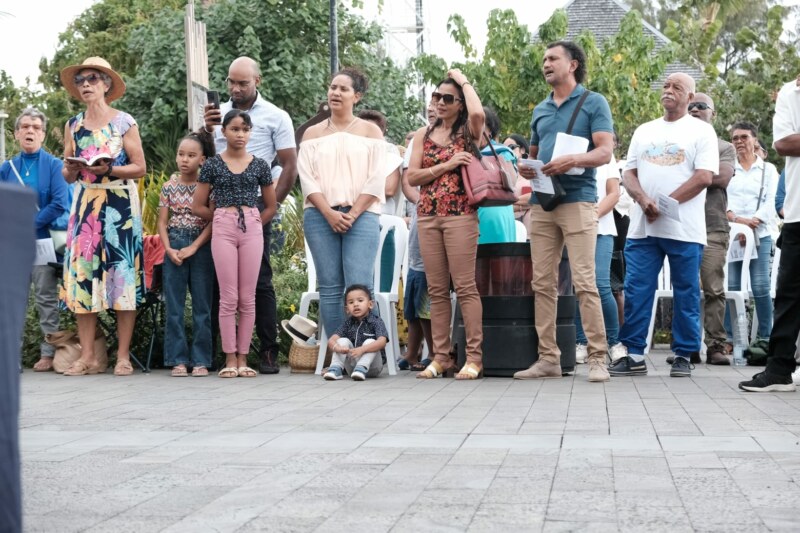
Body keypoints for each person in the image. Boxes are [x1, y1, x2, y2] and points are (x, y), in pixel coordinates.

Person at [514, 41, 614, 382]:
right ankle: (548, 359)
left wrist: (575, 159)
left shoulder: (593, 102)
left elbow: (604, 152)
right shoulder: (540, 109)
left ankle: (598, 358)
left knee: (585, 281)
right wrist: (525, 167)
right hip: (543, 203)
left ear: (572, 65)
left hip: (579, 200)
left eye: (553, 58)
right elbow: (534, 154)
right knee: (541, 283)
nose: (546, 64)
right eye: (544, 59)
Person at [610, 73, 719, 378]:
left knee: (685, 290)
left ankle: (684, 353)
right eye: (666, 87)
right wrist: (644, 200)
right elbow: (629, 173)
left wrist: (664, 203)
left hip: (684, 228)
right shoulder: (645, 130)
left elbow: (704, 177)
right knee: (636, 288)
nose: (669, 91)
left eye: (677, 88)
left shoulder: (701, 131)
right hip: (643, 227)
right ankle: (633, 355)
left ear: (690, 96)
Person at [203, 56, 297, 374]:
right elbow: (206, 159)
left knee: (261, 285)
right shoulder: (218, 117)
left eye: (242, 82)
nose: (235, 88)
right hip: (224, 209)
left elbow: (288, 165)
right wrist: (207, 128)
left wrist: (266, 213)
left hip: (257, 208)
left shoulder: (276, 117)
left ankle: (268, 350)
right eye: (231, 81)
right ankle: (222, 354)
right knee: (222, 287)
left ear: (258, 81)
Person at [59, 57, 147, 376]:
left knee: (121, 276)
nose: (85, 84)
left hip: (119, 205)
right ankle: (88, 358)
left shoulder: (124, 122)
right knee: (83, 278)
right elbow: (68, 175)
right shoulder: (73, 125)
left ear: (106, 85)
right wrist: (70, 168)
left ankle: (122, 356)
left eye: (93, 78)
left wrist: (109, 168)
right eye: (81, 79)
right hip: (85, 205)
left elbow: (140, 167)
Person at [407, 69, 486, 380]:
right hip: (427, 215)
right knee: (437, 290)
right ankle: (441, 357)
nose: (439, 102)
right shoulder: (421, 136)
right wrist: (447, 165)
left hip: (460, 215)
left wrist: (464, 80)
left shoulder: (467, 133)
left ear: (459, 104)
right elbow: (412, 176)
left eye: (448, 98)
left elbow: (478, 112)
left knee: (465, 287)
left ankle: (474, 358)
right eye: (436, 96)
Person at [298, 67, 387, 342]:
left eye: (343, 89)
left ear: (357, 96)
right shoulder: (312, 134)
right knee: (330, 287)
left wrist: (353, 212)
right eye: (333, 87)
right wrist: (329, 213)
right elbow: (307, 179)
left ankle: (364, 351)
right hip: (319, 216)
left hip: (362, 216)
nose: (335, 93)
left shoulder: (371, 131)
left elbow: (376, 178)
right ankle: (338, 354)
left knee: (359, 287)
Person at [194, 109, 277, 378]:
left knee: (248, 297)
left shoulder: (260, 164)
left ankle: (244, 358)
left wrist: (254, 222)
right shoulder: (213, 165)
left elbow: (271, 205)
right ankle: (230, 358)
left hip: (252, 226)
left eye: (245, 129)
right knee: (228, 297)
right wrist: (220, 216)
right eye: (234, 128)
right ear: (223, 131)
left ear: (250, 132)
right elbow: (198, 205)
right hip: (224, 227)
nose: (240, 134)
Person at [739, 74, 800, 392]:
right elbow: (784, 143)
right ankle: (778, 371)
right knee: (789, 295)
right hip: (798, 213)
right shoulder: (791, 92)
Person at [0, 108, 69, 372]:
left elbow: (59, 203)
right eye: (25, 127)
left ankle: (48, 353)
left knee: (46, 299)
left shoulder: (54, 166)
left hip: (43, 243)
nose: (30, 131)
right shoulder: (7, 169)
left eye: (36, 127)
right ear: (16, 133)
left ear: (42, 134)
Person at [158, 133, 215, 377]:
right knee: (174, 307)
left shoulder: (208, 188)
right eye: (181, 154)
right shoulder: (168, 187)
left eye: (191, 155)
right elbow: (161, 222)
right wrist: (168, 248)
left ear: (202, 159)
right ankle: (177, 359)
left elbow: (214, 221)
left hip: (201, 247)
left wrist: (194, 247)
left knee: (202, 306)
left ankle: (201, 359)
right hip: (174, 245)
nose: (184, 159)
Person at [686, 93, 736, 366]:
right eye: (690, 106)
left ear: (712, 114)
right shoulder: (678, 143)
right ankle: (688, 346)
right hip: (682, 226)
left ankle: (716, 345)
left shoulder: (724, 147)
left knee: (713, 289)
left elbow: (722, 178)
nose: (694, 109)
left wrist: (689, 179)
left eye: (701, 106)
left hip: (712, 226)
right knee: (687, 288)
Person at [725, 121, 779, 359]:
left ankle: (766, 337)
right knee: (732, 286)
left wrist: (753, 222)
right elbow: (723, 201)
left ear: (755, 140)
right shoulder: (728, 169)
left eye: (744, 137)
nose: (739, 141)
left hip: (760, 233)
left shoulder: (768, 170)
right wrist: (738, 221)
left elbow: (772, 201)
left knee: (760, 286)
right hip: (734, 234)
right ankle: (732, 338)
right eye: (735, 137)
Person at [574, 148, 623, 364]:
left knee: (602, 284)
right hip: (574, 229)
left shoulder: (606, 155)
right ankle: (581, 341)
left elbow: (614, 193)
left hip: (602, 229)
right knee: (579, 285)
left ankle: (613, 343)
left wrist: (592, 215)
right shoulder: (570, 149)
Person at [398, 99, 437, 371]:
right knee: (417, 284)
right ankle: (416, 352)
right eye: (433, 104)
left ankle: (437, 352)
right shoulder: (419, 138)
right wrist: (422, 203)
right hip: (422, 221)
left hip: (451, 219)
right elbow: (407, 181)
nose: (435, 108)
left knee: (437, 289)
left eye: (445, 101)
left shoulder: (460, 136)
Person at [323, 284, 388, 380]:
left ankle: (361, 368)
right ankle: (335, 369)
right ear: (347, 309)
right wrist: (338, 348)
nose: (356, 304)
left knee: (370, 341)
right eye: (351, 302)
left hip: (373, 367)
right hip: (352, 369)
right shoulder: (347, 323)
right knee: (342, 340)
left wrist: (362, 349)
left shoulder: (376, 321)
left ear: (370, 304)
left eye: (360, 301)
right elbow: (331, 340)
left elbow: (382, 342)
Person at [477, 107, 517, 244]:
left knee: (496, 259)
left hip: (495, 212)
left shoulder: (501, 152)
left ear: (489, 130)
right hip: (471, 215)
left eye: (479, 122)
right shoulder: (463, 153)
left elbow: (512, 182)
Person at [358, 109, 403, 215]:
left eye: (371, 130)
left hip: (381, 217)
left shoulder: (389, 152)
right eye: (362, 129)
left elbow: (389, 189)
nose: (366, 134)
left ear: (381, 133)